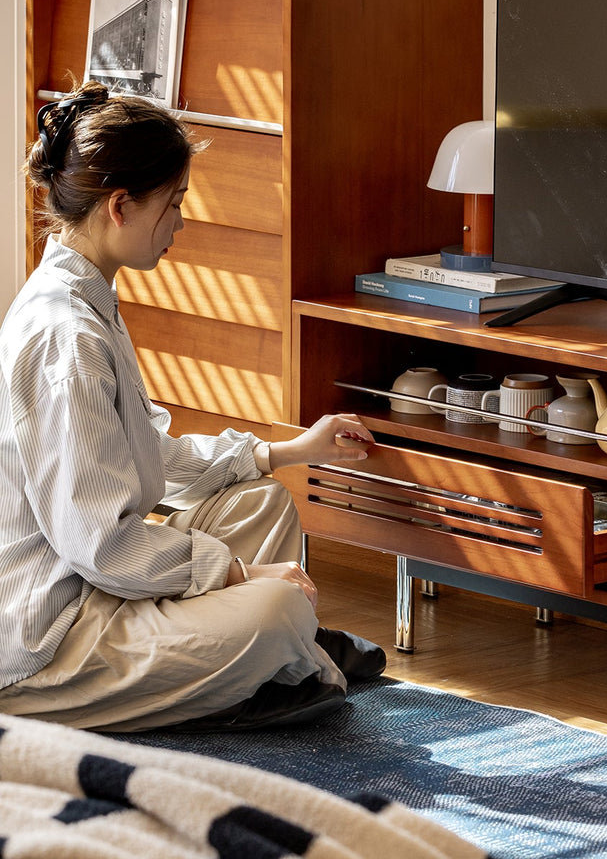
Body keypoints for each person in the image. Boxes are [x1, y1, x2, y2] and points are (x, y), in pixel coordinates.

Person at [0, 82, 384, 733]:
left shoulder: (89, 304)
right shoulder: (66, 337)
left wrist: (289, 452)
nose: (181, 222)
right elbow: (102, 545)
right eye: (173, 203)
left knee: (260, 502)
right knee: (277, 609)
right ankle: (280, 655)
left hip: (96, 584)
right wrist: (236, 573)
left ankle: (272, 662)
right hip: (50, 637)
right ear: (120, 205)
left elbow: (155, 458)